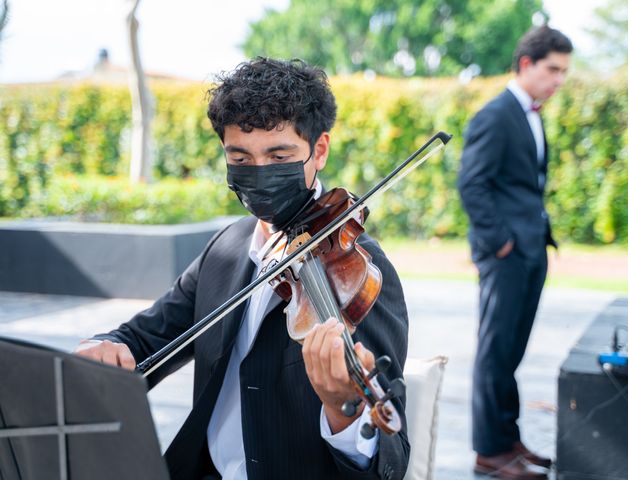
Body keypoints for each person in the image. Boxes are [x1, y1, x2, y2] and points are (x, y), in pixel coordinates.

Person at [76, 57, 410, 480]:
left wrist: (343, 410)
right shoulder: (228, 247)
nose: (260, 173)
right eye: (240, 157)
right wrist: (107, 347)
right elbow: (146, 335)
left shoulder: (357, 269)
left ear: (318, 150)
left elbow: (392, 462)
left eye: (279, 155)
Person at [457, 26, 573, 480]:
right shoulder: (496, 114)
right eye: (553, 70)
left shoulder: (532, 114)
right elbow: (472, 184)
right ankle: (489, 451)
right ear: (526, 64)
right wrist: (501, 243)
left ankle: (509, 440)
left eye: (564, 72)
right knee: (495, 352)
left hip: (530, 250)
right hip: (506, 255)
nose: (559, 80)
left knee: (511, 353)